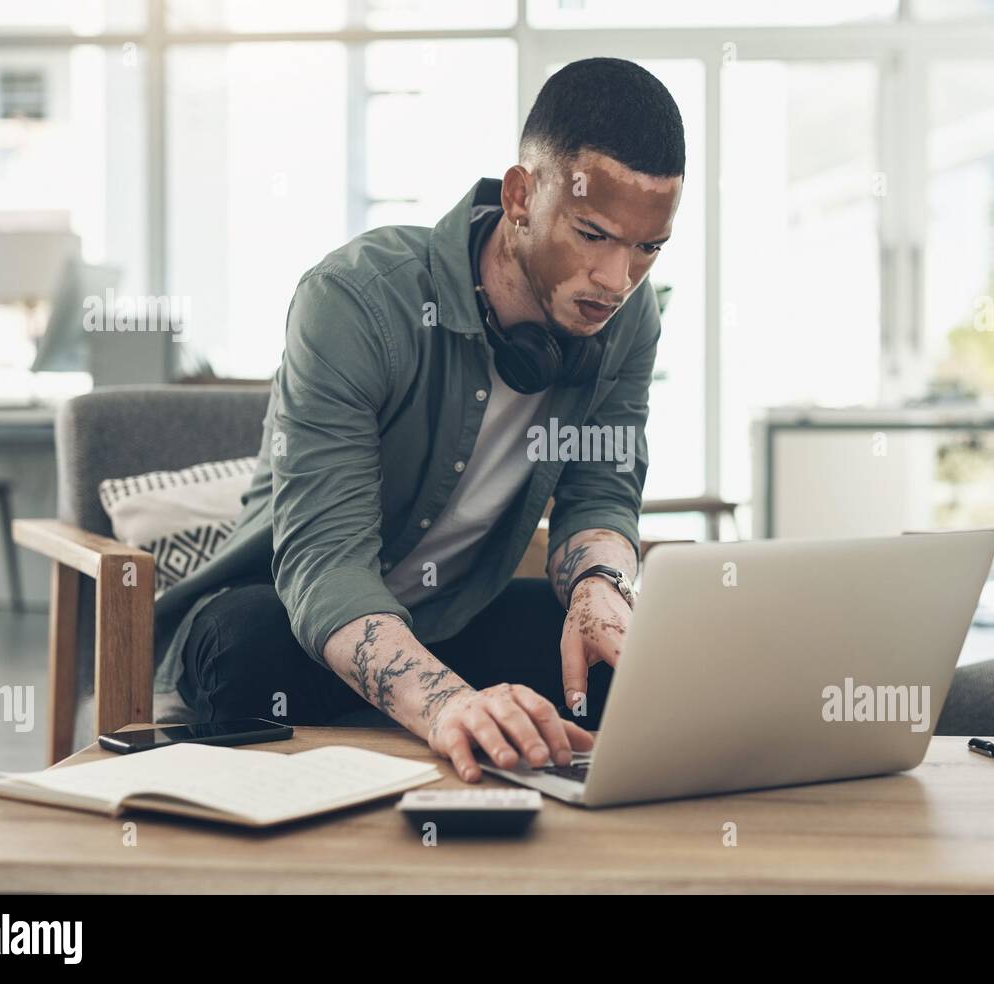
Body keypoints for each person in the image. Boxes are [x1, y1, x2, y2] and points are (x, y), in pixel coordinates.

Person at [153, 56, 685, 783]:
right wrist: (445, 706)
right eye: (593, 233)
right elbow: (326, 563)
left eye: (647, 248)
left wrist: (601, 589)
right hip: (294, 613)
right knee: (246, 652)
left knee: (634, 666)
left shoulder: (628, 322)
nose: (618, 281)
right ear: (521, 196)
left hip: (456, 616)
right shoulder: (354, 301)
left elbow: (601, 496)